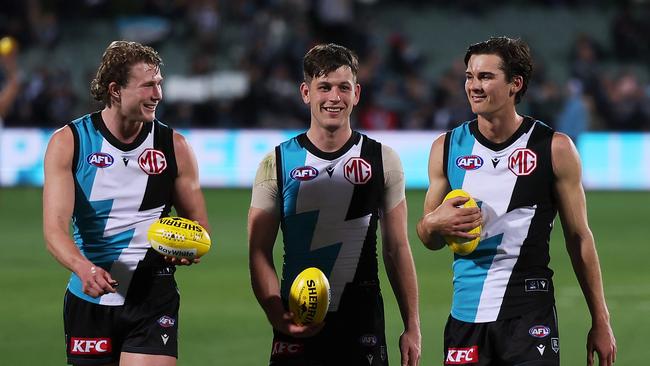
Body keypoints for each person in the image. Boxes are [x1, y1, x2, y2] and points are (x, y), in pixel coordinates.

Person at [416, 36, 617, 366]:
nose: (473, 86)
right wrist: (432, 223)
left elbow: (579, 237)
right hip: (466, 317)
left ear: (515, 84)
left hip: (530, 316)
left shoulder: (554, 148)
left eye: (485, 76)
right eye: (469, 76)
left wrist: (601, 320)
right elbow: (428, 238)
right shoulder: (447, 148)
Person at [248, 43, 421, 366]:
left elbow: (397, 248)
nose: (334, 98)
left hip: (363, 319)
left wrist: (412, 327)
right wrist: (277, 316)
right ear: (305, 92)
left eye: (343, 88)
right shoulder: (276, 162)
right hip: (297, 317)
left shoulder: (384, 160)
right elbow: (258, 251)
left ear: (356, 93)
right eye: (323, 87)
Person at [43, 40, 209, 366]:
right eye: (148, 86)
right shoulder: (69, 143)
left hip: (153, 297)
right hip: (89, 297)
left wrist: (187, 247)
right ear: (116, 90)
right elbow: (54, 230)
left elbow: (199, 226)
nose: (158, 94)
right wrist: (83, 268)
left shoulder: (174, 146)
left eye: (159, 84)